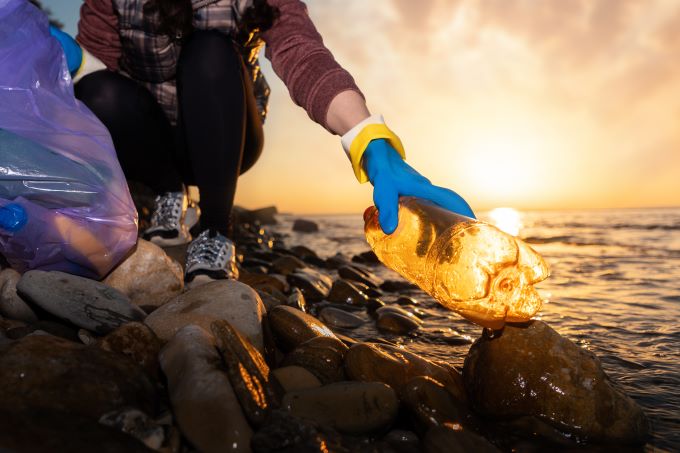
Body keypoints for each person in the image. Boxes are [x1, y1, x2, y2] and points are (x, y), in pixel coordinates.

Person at [50, 0, 474, 287]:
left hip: (226, 137)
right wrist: (63, 64)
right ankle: (168, 192)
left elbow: (303, 55)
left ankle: (216, 228)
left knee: (211, 48)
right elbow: (97, 65)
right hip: (151, 142)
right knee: (99, 90)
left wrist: (369, 139)